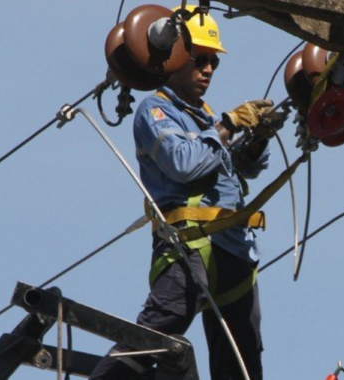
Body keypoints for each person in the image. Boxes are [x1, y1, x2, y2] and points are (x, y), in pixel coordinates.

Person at [89, 5, 272, 380]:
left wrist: (256, 140)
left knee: (243, 366)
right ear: (176, 57)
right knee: (152, 337)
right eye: (200, 59)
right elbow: (184, 163)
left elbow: (235, 170)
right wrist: (229, 124)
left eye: (213, 63)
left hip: (235, 252)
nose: (208, 69)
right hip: (190, 249)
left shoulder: (204, 117)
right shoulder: (155, 111)